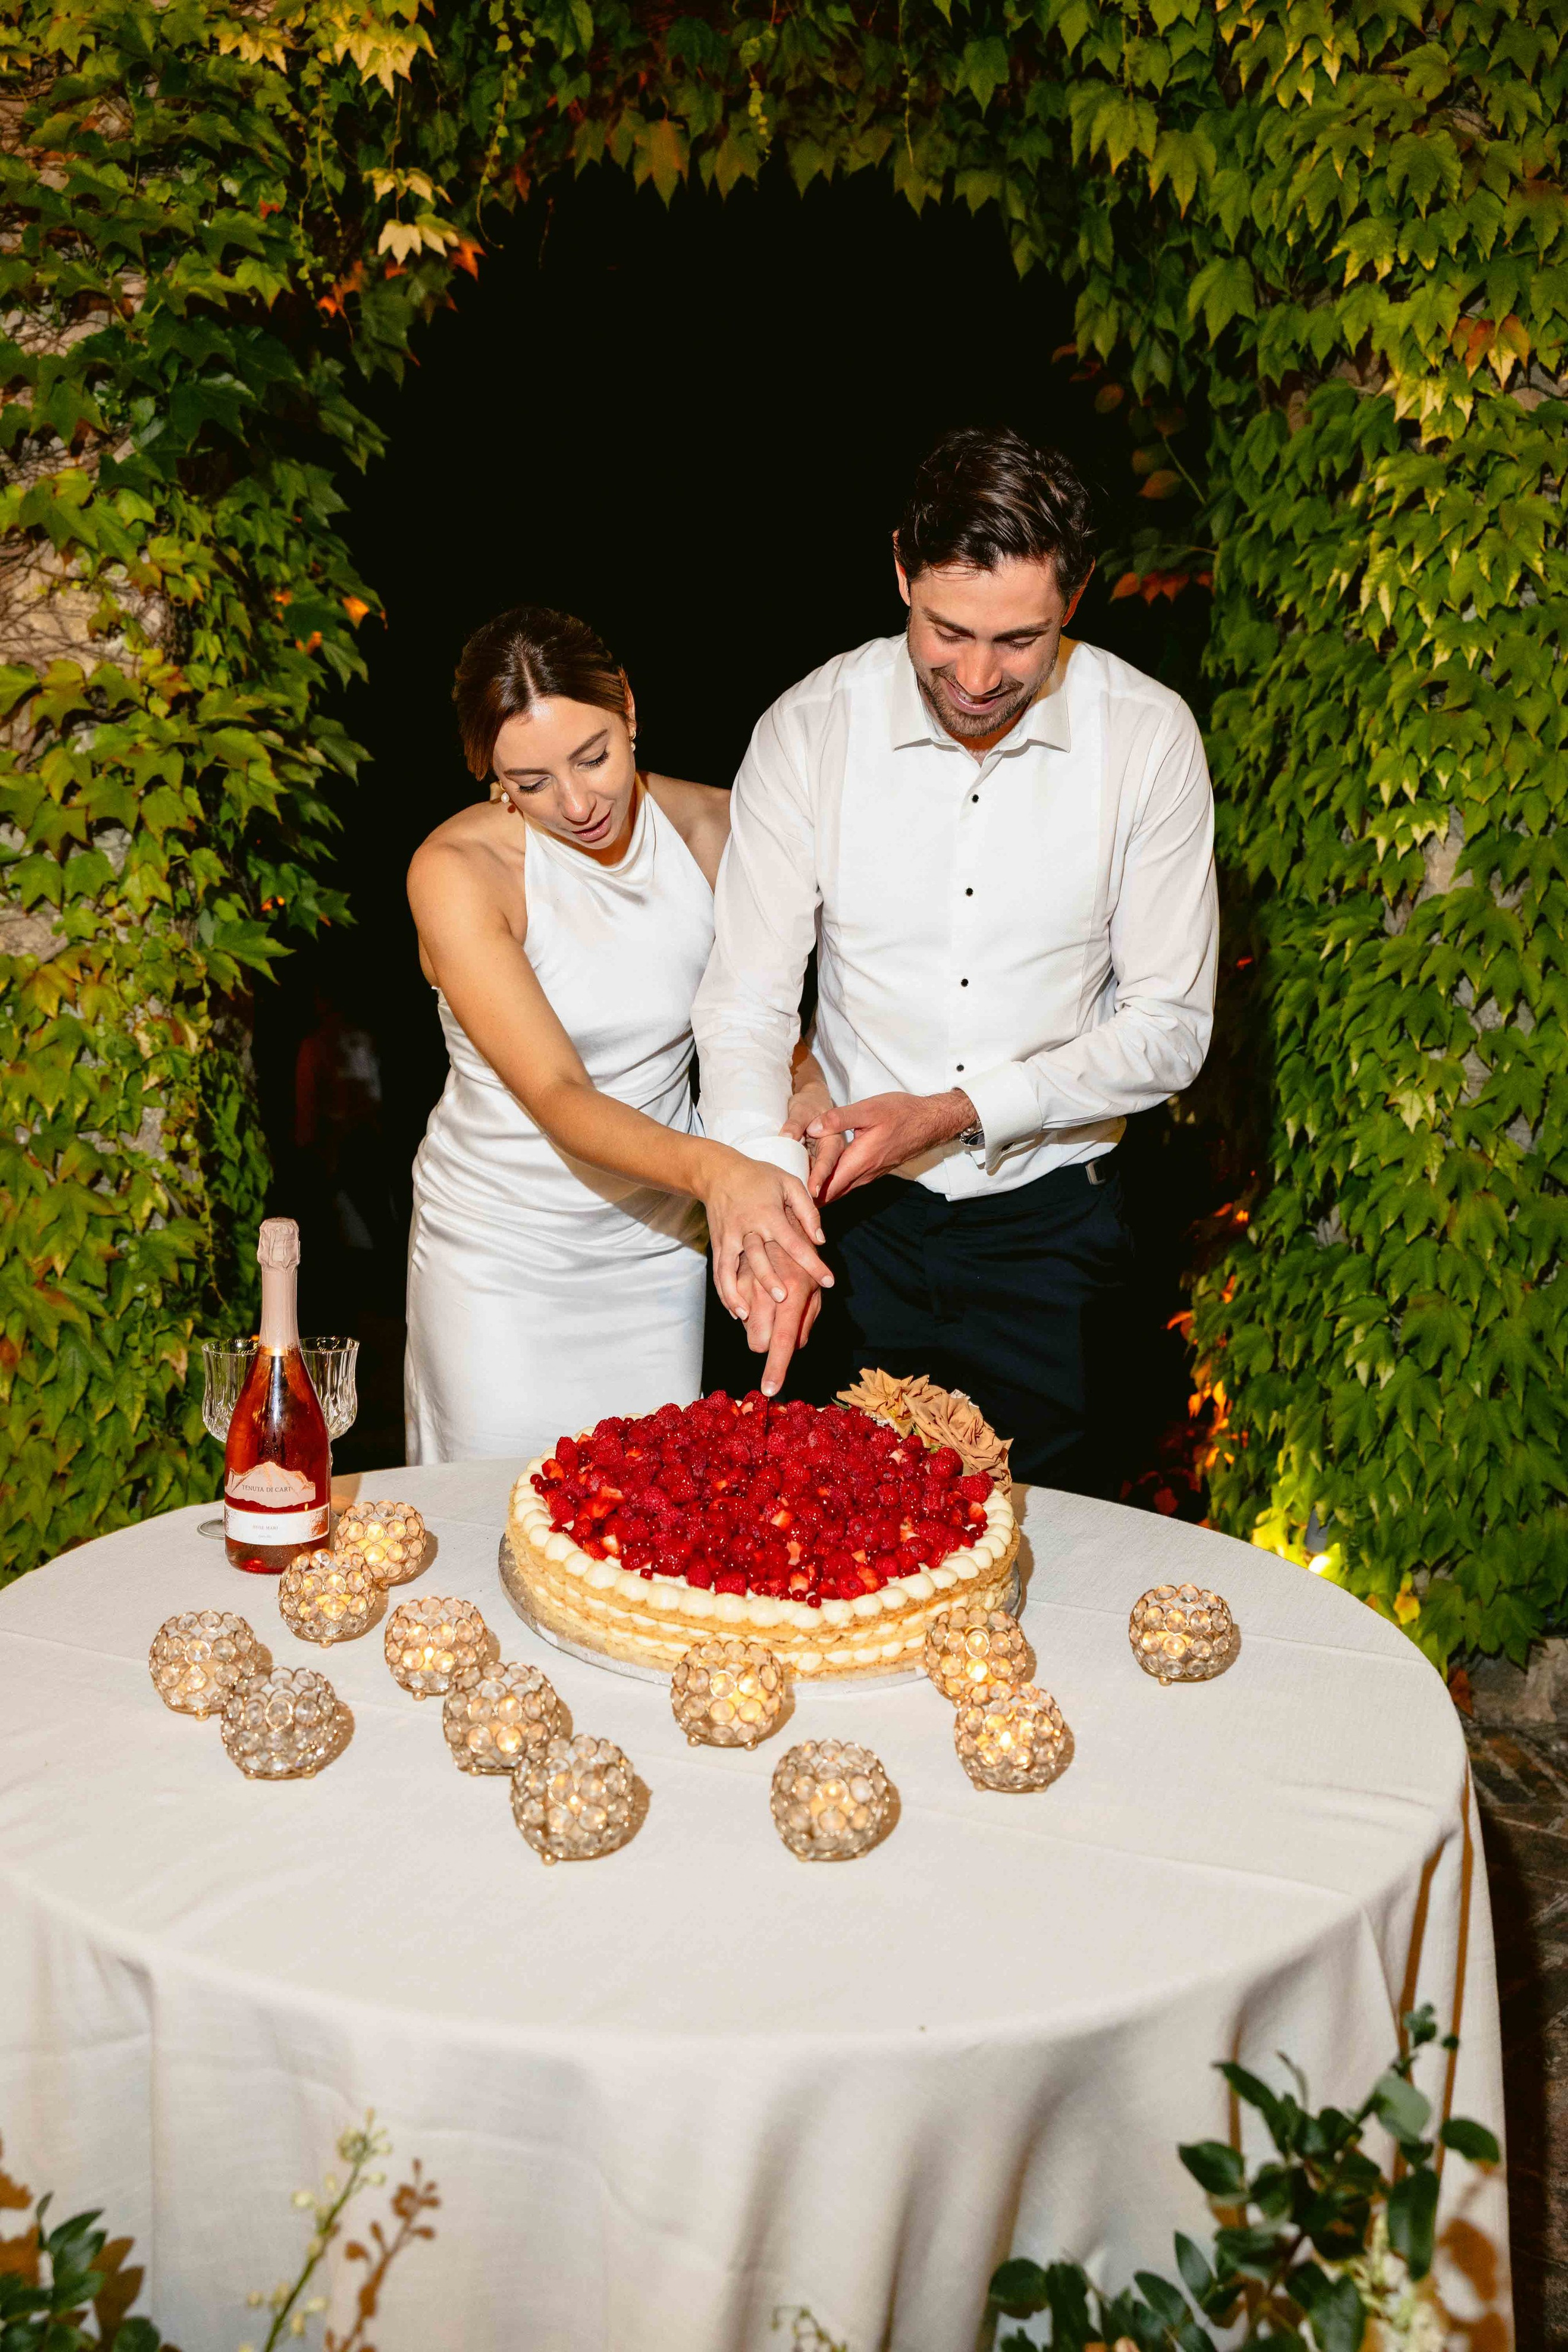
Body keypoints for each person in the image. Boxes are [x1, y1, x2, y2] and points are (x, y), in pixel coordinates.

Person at [692, 426, 1219, 1494]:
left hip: (1052, 1230)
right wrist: (760, 1195)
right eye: (947, 631)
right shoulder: (808, 729)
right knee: (831, 1549)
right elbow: (747, 1003)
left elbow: (1172, 1029)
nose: (978, 676)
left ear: (1073, 601)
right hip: (851, 1225)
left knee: (1048, 1563)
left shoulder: (1150, 739)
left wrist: (954, 1110)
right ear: (899, 570)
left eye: (1020, 641)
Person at [403, 605, 831, 1462]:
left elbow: (761, 1020)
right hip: (498, 1256)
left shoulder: (720, 830)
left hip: (654, 1247)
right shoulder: (459, 872)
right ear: (492, 775)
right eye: (530, 783)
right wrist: (722, 1173)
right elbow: (560, 1098)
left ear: (629, 707)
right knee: (499, 1517)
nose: (577, 802)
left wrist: (808, 1083)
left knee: (643, 1522)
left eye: (594, 757)